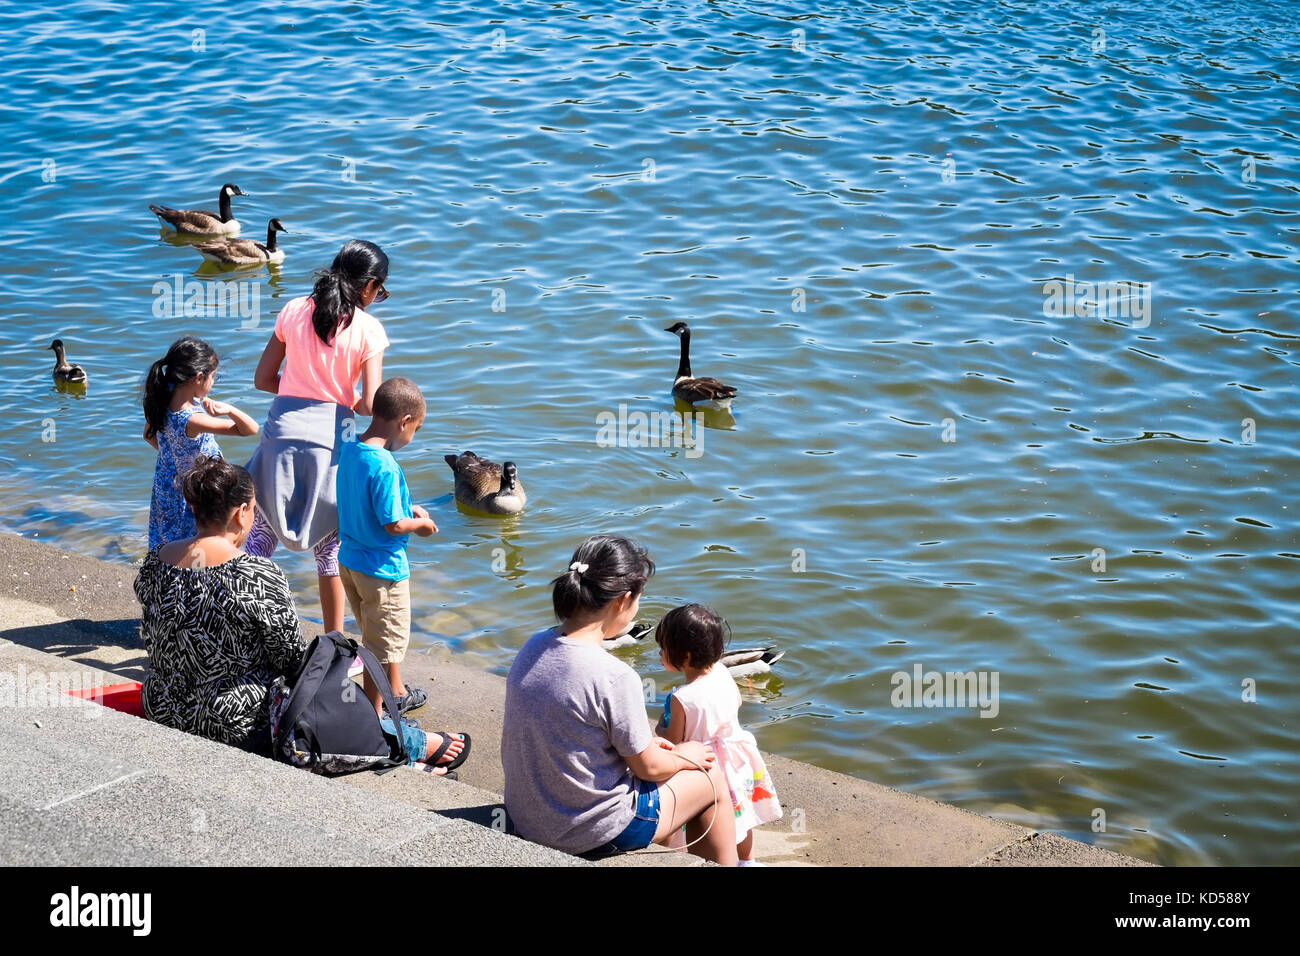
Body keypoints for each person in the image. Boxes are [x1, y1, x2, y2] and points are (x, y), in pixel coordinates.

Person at [501, 535, 739, 864]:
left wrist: (654, 748)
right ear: (623, 601)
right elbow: (650, 768)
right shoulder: (615, 675)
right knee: (710, 778)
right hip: (590, 831)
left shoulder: (532, 646)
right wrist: (686, 755)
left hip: (526, 817)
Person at [246, 239, 391, 635]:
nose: (379, 298)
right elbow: (371, 404)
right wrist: (346, 398)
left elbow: (262, 380)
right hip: (332, 443)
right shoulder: (369, 330)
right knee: (329, 549)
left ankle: (237, 619)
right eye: (381, 291)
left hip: (280, 433)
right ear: (369, 287)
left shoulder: (293, 310)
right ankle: (333, 641)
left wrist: (299, 389)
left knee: (261, 536)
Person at [335, 376, 469, 773]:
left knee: (372, 640)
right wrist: (421, 526)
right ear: (404, 421)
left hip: (351, 563)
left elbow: (371, 508)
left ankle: (379, 712)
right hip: (384, 572)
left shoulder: (352, 452)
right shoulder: (386, 465)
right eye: (417, 429)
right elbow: (392, 524)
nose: (414, 436)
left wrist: (410, 512)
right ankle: (375, 726)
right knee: (382, 649)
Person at [134, 456, 304, 755]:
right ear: (241, 513)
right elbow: (292, 659)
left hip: (161, 705)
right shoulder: (258, 575)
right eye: (253, 509)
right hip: (232, 721)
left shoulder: (155, 561)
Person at [655, 604, 782, 865]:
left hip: (708, 765)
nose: (659, 653)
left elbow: (674, 739)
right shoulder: (722, 672)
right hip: (737, 756)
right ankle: (747, 860)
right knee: (743, 817)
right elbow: (737, 701)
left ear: (686, 656)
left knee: (709, 819)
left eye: (664, 648)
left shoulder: (681, 697)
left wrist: (660, 727)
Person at [142, 336, 258, 550]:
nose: (213, 383)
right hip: (196, 492)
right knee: (196, 543)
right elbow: (250, 429)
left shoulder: (162, 400)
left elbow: (148, 435)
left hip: (167, 485)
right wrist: (230, 410)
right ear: (198, 377)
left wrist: (175, 457)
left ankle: (165, 574)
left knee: (170, 540)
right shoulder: (193, 419)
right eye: (213, 377)